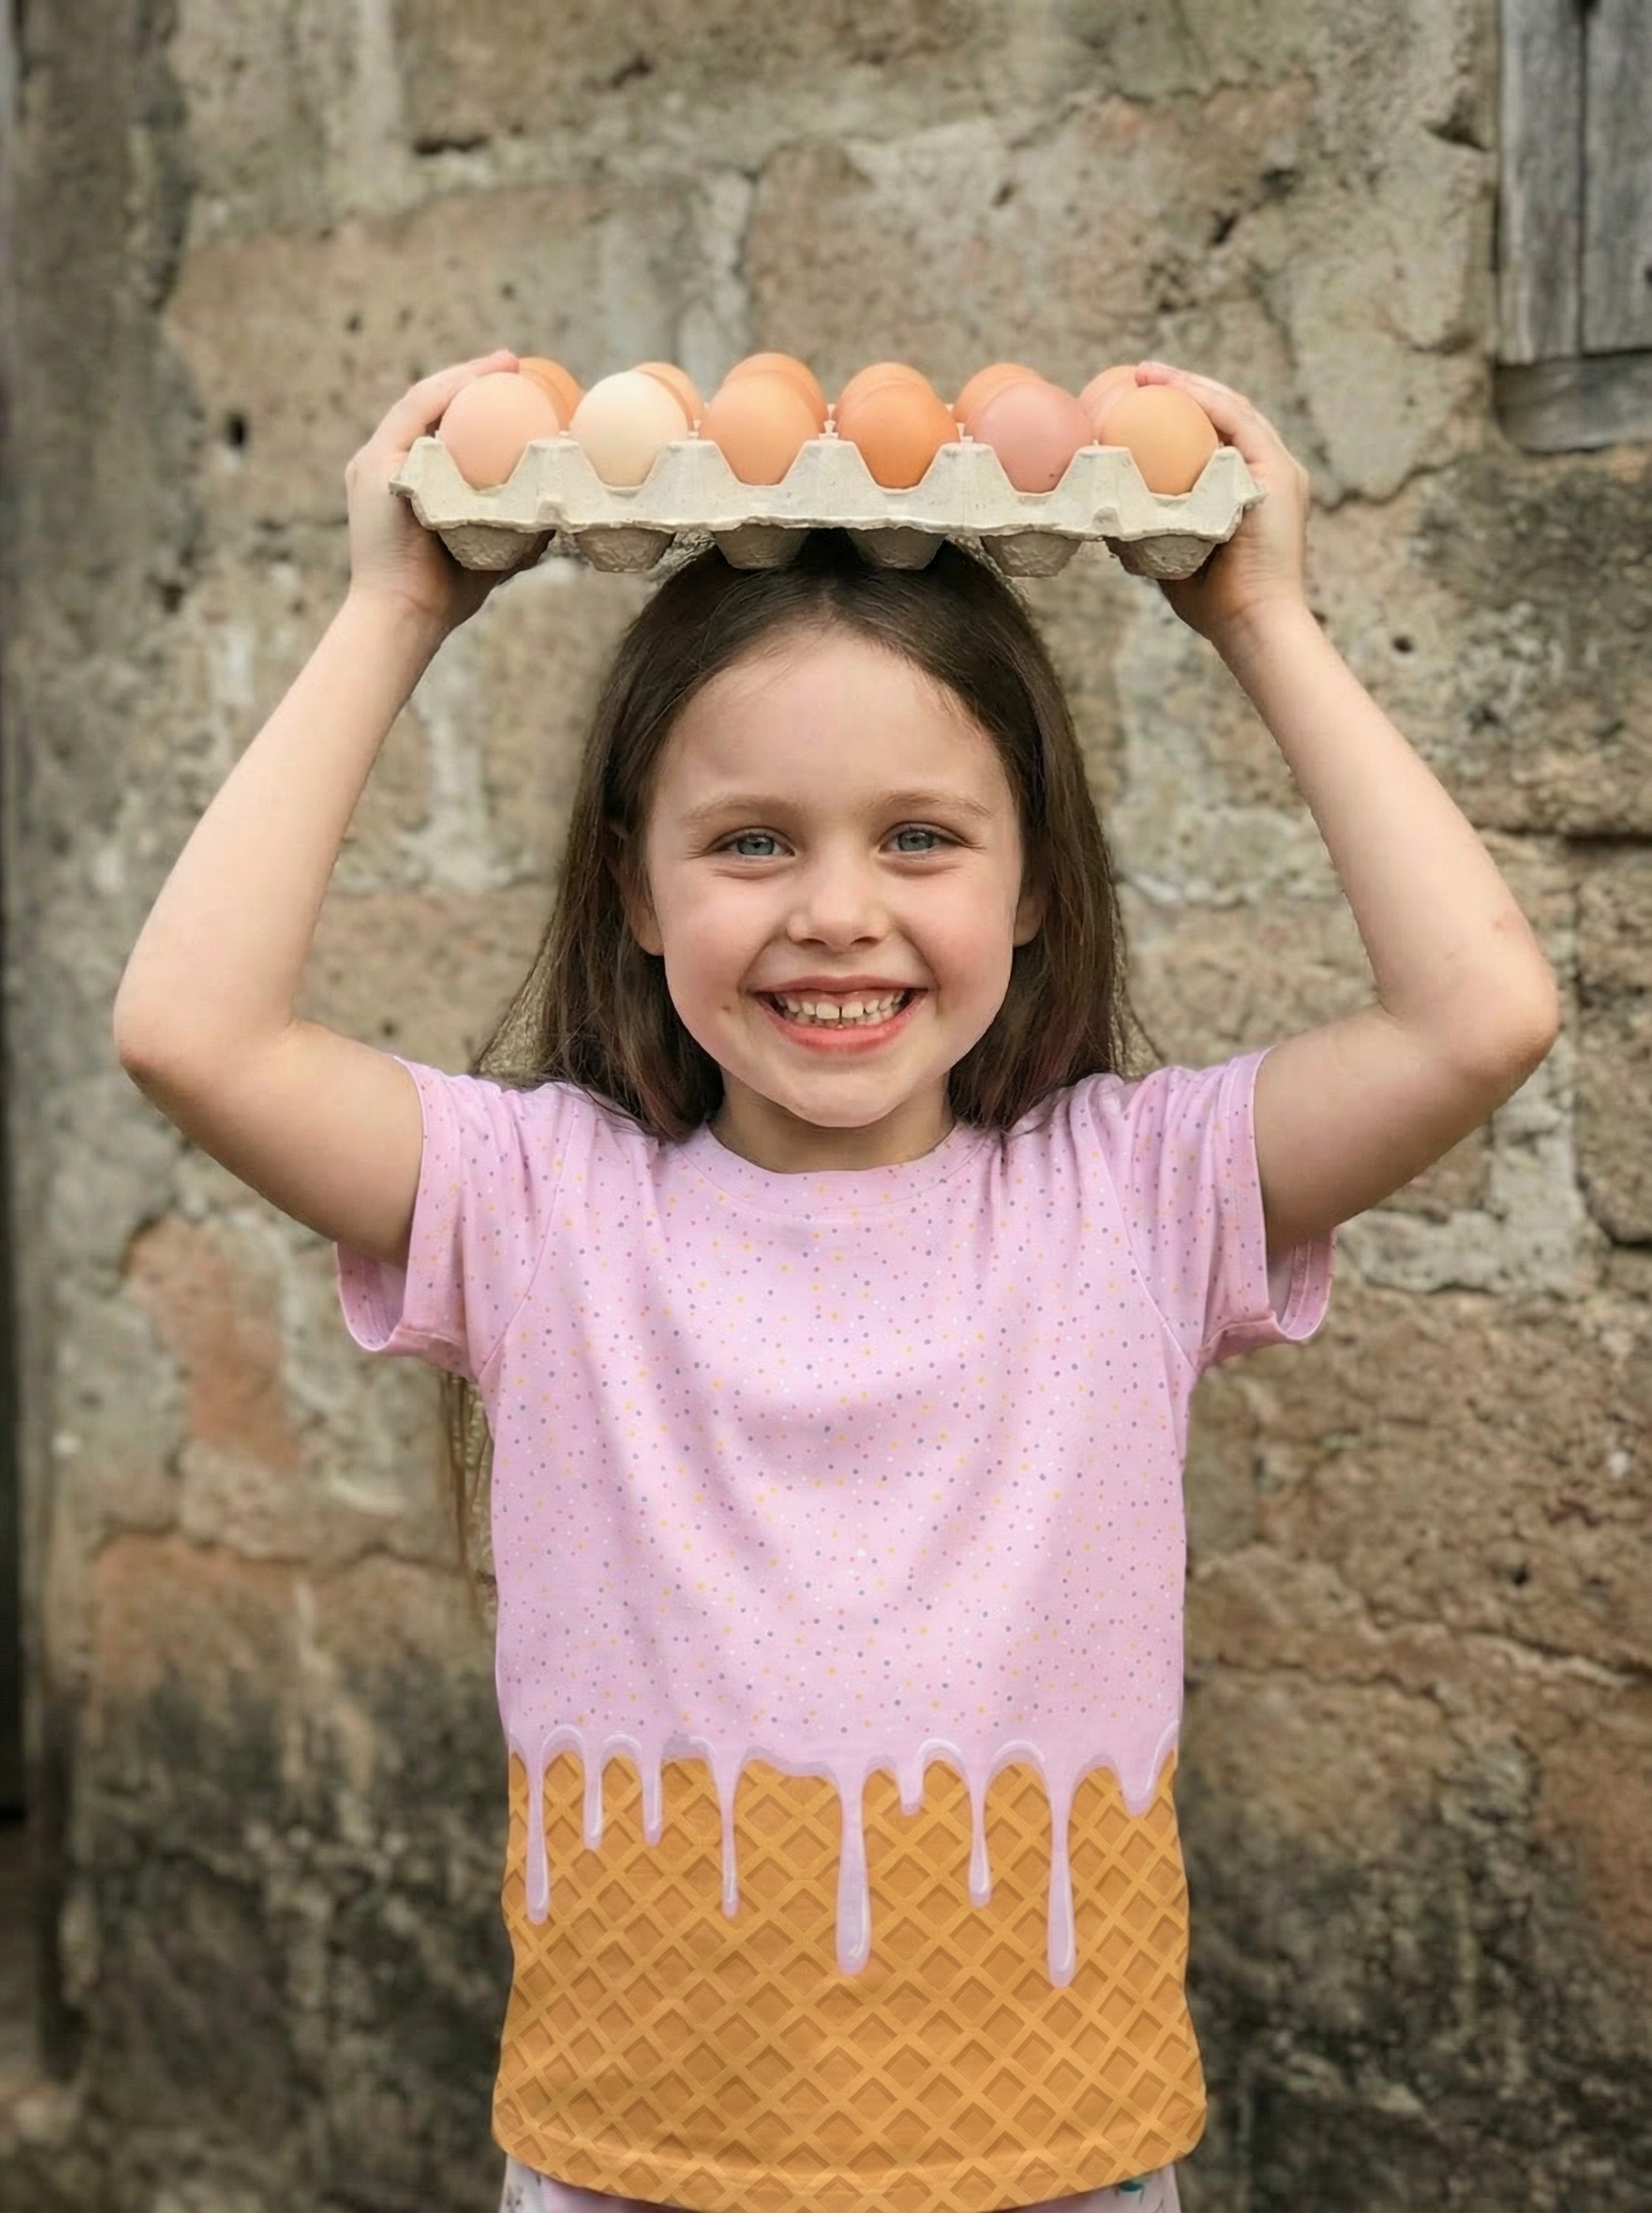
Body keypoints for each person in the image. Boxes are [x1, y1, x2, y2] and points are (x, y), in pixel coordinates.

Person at [112, 349, 1559, 2213]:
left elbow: (1481, 1012)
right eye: (745, 844)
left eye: (922, 839)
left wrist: (1259, 621)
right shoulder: (541, 1207)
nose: (834, 912)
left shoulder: (1128, 1196)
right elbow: (189, 1030)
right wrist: (393, 608)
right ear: (631, 894)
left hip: (1049, 2159)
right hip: (637, 2164)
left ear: (1035, 884)